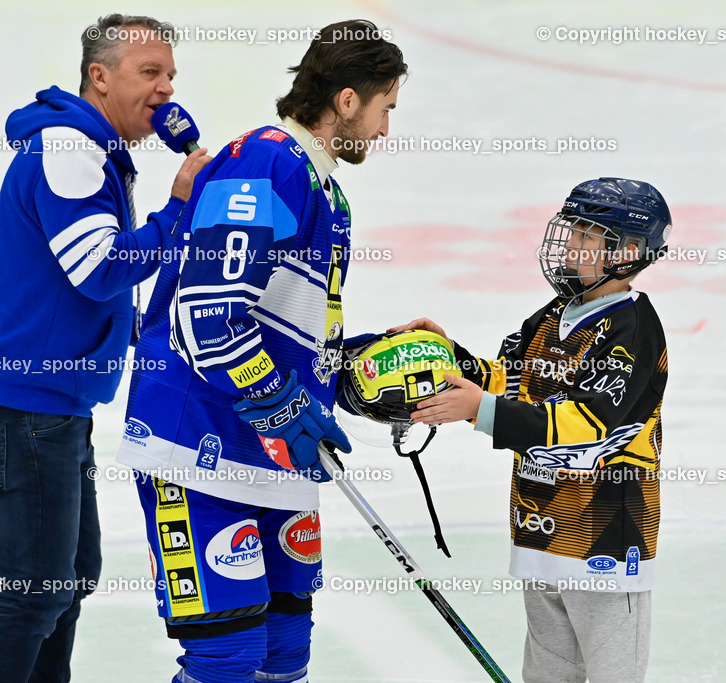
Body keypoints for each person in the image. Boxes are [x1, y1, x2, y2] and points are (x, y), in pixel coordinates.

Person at [114, 20, 407, 683]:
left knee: (283, 655)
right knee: (228, 661)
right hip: (199, 446)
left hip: (272, 454)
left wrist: (368, 362)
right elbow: (211, 312)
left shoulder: (325, 188)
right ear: (347, 100)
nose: (386, 129)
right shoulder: (269, 159)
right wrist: (276, 398)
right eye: (385, 107)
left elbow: (289, 329)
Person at [0, 14, 211, 682]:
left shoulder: (89, 148)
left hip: (49, 408)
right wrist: (178, 211)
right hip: (26, 412)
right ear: (100, 76)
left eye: (171, 75)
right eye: (149, 73)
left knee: (69, 577)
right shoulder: (68, 149)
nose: (166, 89)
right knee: (39, 589)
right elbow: (98, 266)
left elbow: (77, 289)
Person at [395, 178, 671, 683]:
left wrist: (480, 410)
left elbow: (588, 422)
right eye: (572, 232)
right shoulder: (551, 317)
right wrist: (448, 355)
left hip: (606, 542)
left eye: (590, 237)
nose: (571, 246)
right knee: (545, 674)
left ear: (628, 252)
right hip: (537, 531)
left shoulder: (634, 328)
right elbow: (513, 378)